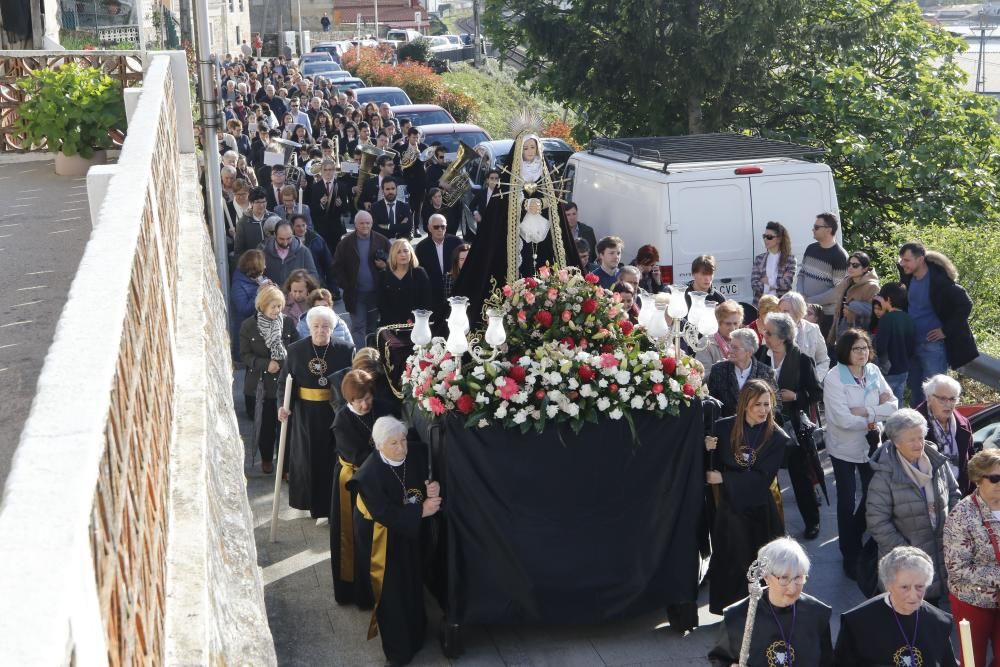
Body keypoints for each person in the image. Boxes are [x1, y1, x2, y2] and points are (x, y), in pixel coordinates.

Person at [452, 126, 582, 321]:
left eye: (533, 148)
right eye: (526, 149)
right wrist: (523, 203)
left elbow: (555, 200)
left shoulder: (546, 173)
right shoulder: (509, 175)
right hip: (513, 238)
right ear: (519, 150)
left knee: (547, 272)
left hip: (545, 236)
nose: (530, 153)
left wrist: (540, 203)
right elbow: (501, 205)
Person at [347, 416, 441, 666]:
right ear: (379, 446)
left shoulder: (415, 453)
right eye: (394, 444)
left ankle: (417, 634)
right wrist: (422, 511)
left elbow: (426, 476)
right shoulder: (368, 476)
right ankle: (399, 650)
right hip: (381, 537)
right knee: (392, 590)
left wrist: (432, 487)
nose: (402, 448)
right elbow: (383, 513)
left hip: (408, 532)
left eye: (403, 440)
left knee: (412, 579)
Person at [705, 379, 790, 615]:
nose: (764, 410)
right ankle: (732, 611)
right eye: (758, 405)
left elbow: (763, 478)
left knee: (761, 562)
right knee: (732, 558)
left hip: (761, 507)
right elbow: (711, 462)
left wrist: (724, 479)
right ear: (745, 405)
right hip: (731, 507)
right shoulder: (723, 428)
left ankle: (763, 611)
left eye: (767, 404)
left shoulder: (777, 437)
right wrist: (707, 446)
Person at [823, 329, 898, 578]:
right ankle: (849, 552)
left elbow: (894, 405)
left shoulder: (874, 371)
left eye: (865, 348)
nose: (862, 353)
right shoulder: (835, 378)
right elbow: (842, 419)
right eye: (856, 348)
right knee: (846, 500)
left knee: (873, 495)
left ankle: (856, 537)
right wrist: (876, 412)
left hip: (871, 445)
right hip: (843, 447)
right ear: (845, 350)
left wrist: (865, 412)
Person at [867, 408, 961, 603]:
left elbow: (953, 492)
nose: (919, 444)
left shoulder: (936, 460)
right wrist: (907, 554)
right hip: (907, 565)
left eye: (921, 437)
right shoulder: (884, 475)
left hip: (942, 550)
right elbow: (877, 522)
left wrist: (953, 527)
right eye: (912, 440)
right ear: (896, 442)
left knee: (935, 612)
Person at [708, 537, 833, 667]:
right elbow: (720, 659)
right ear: (766, 577)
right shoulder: (736, 617)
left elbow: (827, 662)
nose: (792, 588)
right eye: (784, 578)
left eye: (798, 577)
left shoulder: (817, 613)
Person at [278, 306, 354, 518]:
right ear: (309, 327)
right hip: (306, 415)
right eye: (316, 326)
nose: (321, 330)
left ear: (333, 328)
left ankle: (334, 507)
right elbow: (285, 382)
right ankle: (313, 506)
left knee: (334, 461)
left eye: (326, 326)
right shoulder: (295, 351)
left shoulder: (345, 350)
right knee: (308, 461)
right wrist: (282, 407)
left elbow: (351, 382)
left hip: (335, 413)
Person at [329, 369, 394, 607]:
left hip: (378, 476)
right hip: (353, 481)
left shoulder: (378, 407)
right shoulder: (342, 422)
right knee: (355, 536)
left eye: (368, 398)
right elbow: (358, 455)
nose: (366, 405)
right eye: (361, 401)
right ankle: (357, 593)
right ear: (349, 400)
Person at [756, 311, 824, 539]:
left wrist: (795, 396)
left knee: (800, 477)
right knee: (764, 477)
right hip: (764, 426)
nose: (764, 335)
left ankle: (812, 522)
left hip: (793, 428)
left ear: (783, 337)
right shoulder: (761, 355)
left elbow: (816, 392)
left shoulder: (802, 359)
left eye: (769, 332)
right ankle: (770, 528)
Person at [835, 546, 958, 666]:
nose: (913, 595)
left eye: (920, 587)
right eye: (905, 587)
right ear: (888, 585)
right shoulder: (856, 622)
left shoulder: (939, 621)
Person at [899, 242, 978, 405]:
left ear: (920, 259)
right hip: (912, 342)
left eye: (906, 260)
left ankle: (940, 428)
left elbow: (965, 304)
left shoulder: (940, 281)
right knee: (916, 393)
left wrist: (945, 331)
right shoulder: (907, 276)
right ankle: (920, 429)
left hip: (932, 345)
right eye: (901, 259)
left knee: (937, 394)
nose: (902, 263)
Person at [943, 449, 1000, 667]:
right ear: (978, 479)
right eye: (995, 478)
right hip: (972, 601)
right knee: (972, 661)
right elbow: (957, 568)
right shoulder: (961, 515)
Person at [240, 285, 299, 472]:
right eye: (273, 306)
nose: (277, 311)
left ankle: (285, 464)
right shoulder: (249, 326)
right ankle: (267, 458)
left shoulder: (288, 323)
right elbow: (244, 355)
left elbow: (296, 348)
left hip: (284, 383)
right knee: (266, 427)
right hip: (261, 386)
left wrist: (285, 364)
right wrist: (265, 364)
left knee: (285, 427)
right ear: (262, 306)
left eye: (280, 306)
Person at [332, 211, 391, 348]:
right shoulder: (345, 243)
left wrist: (385, 265)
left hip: (376, 293)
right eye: (362, 223)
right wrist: (346, 285)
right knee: (358, 327)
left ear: (372, 223)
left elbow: (394, 262)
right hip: (355, 294)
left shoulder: (381, 240)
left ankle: (372, 356)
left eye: (368, 223)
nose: (365, 226)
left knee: (372, 327)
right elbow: (337, 267)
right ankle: (359, 357)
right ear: (355, 225)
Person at [916, 374, 975, 496]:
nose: (948, 404)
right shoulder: (912, 423)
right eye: (942, 399)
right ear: (929, 398)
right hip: (927, 496)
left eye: (952, 399)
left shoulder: (963, 423)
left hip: (959, 493)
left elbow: (970, 459)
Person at [796, 212, 848, 338]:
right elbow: (801, 274)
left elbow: (838, 291)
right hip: (806, 312)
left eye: (817, 227)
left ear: (828, 230)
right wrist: (801, 295)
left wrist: (810, 301)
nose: (813, 229)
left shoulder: (840, 256)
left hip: (826, 316)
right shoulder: (810, 249)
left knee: (823, 353)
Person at [707, 328, 777, 418]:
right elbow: (711, 402)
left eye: (735, 348)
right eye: (730, 346)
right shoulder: (718, 370)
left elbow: (775, 404)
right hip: (725, 427)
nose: (729, 350)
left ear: (749, 352)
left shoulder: (766, 373)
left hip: (756, 427)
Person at [872, 282, 917, 406]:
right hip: (904, 369)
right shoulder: (908, 318)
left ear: (888, 299)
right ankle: (899, 424)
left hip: (889, 370)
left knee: (885, 402)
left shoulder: (886, 319)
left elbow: (881, 346)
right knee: (898, 399)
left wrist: (883, 364)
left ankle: (887, 425)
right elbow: (912, 345)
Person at [415, 215, 463, 321]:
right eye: (436, 227)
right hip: (433, 294)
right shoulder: (421, 247)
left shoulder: (457, 242)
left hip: (454, 292)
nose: (440, 230)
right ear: (429, 228)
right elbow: (419, 273)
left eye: (443, 226)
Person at [827, 251, 880, 346]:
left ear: (865, 268)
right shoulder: (846, 282)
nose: (850, 268)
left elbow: (875, 315)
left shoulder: (872, 286)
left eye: (855, 265)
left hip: (859, 338)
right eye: (849, 264)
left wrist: (854, 314)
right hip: (841, 332)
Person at [378, 239, 432, 327]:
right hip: (391, 325)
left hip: (416, 324)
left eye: (406, 251)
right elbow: (382, 303)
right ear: (393, 255)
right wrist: (394, 322)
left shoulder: (419, 273)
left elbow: (426, 300)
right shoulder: (384, 275)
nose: (403, 255)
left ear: (411, 253)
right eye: (398, 252)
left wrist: (413, 318)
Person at [779, 291, 830, 382]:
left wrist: (814, 379)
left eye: (786, 311)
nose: (781, 315)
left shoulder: (813, 329)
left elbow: (823, 361)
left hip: (807, 387)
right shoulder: (772, 329)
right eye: (780, 311)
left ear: (798, 311)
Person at [230, 249, 268, 359]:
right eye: (263, 264)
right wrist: (258, 293)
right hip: (246, 336)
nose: (265, 267)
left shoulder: (260, 279)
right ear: (255, 268)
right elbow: (244, 310)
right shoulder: (238, 285)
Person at [751, 221, 797, 305]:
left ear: (779, 239)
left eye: (769, 237)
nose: (765, 239)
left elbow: (787, 284)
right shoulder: (759, 259)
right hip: (761, 306)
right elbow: (754, 285)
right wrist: (777, 283)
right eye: (764, 236)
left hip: (781, 306)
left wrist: (767, 281)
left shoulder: (790, 259)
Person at [307, 158, 348, 254]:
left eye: (330, 170)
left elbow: (346, 210)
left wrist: (341, 205)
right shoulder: (315, 187)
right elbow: (312, 210)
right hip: (321, 228)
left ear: (334, 171)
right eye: (325, 170)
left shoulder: (342, 186)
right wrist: (321, 204)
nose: (328, 172)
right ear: (321, 171)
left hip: (337, 228)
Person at [262, 220, 318, 286]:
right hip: (273, 295)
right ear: (275, 235)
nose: (285, 243)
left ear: (293, 234)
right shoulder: (263, 251)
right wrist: (265, 281)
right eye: (281, 239)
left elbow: (314, 278)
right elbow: (256, 274)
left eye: (288, 239)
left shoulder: (304, 252)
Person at [697, 300, 744, 379]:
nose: (732, 328)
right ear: (718, 323)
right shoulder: (705, 343)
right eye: (728, 324)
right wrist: (725, 368)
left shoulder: (743, 341)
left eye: (735, 323)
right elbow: (701, 376)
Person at [234, 187, 281, 255]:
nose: (261, 205)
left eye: (263, 202)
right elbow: (239, 250)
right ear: (251, 203)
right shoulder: (243, 223)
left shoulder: (275, 218)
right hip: (253, 262)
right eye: (258, 202)